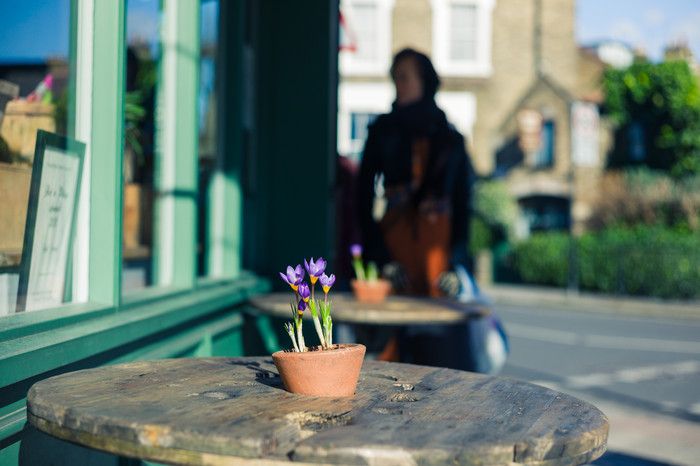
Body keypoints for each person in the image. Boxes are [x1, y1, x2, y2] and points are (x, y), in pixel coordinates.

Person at [355, 48, 477, 366]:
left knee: (440, 351)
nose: (399, 84)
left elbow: (464, 204)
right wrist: (380, 258)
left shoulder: (451, 139)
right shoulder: (382, 131)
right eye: (395, 77)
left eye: (405, 76)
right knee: (386, 350)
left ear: (425, 80)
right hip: (393, 250)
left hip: (437, 255)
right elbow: (362, 198)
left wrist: (457, 262)